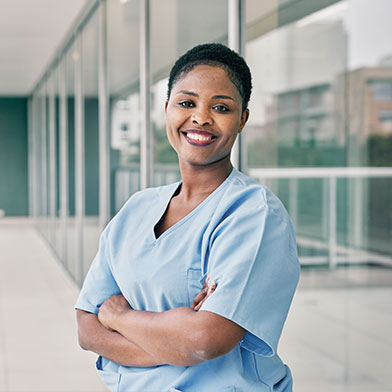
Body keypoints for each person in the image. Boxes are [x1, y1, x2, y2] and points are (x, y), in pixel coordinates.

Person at [75, 43, 300, 392]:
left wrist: (121, 317)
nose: (201, 117)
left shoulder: (253, 213)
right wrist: (172, 336)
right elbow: (87, 327)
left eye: (221, 107)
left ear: (242, 119)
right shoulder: (137, 208)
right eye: (186, 102)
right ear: (167, 109)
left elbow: (204, 340)